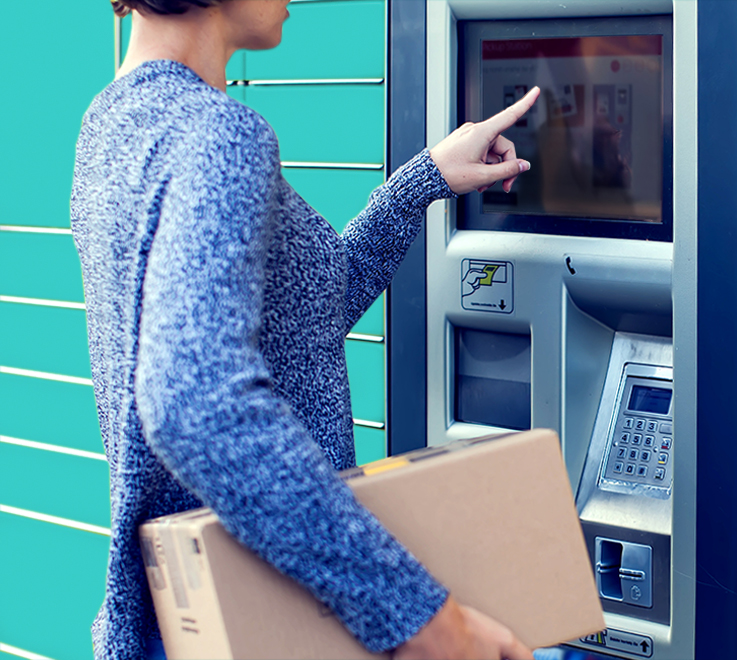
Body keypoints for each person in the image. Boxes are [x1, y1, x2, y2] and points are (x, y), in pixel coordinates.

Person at [71, 1, 541, 658]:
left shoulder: (114, 122)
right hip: (254, 624)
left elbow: (297, 332)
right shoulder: (219, 137)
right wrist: (423, 620)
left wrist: (421, 181)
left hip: (180, 624)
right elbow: (194, 404)